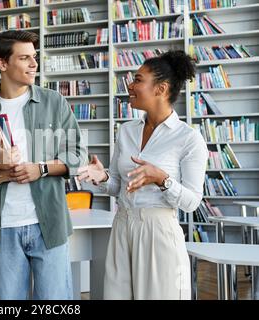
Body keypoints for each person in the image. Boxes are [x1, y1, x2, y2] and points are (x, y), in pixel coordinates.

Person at [0, 30, 87, 300]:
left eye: (35, 57)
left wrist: (39, 169)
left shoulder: (54, 102)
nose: (34, 64)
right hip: (2, 227)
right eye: (25, 58)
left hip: (48, 224)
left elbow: (77, 155)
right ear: (2, 64)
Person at [77, 50, 208, 300]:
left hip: (159, 232)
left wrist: (162, 179)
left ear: (160, 89)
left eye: (138, 79)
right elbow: (118, 184)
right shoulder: (126, 131)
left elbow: (192, 202)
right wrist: (103, 177)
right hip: (122, 226)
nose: (130, 85)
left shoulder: (188, 139)